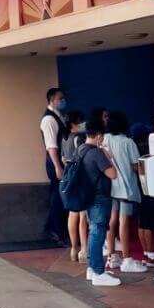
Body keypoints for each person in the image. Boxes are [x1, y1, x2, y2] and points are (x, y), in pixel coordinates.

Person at [78, 116, 120, 286]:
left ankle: (92, 268)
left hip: (88, 196)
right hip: (99, 197)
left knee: (93, 231)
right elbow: (113, 174)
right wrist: (107, 155)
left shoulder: (81, 149)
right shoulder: (96, 152)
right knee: (98, 232)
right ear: (99, 135)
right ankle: (98, 271)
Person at [103, 112, 146, 273]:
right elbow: (135, 165)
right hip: (126, 187)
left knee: (112, 220)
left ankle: (112, 256)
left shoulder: (105, 139)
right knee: (124, 221)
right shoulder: (128, 142)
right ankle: (127, 259)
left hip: (111, 186)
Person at [129, 122, 154, 267]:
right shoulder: (146, 150)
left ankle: (146, 254)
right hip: (147, 189)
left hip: (136, 189)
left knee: (141, 223)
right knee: (148, 223)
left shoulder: (132, 147)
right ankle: (151, 255)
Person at [40, 88, 68, 243]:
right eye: (60, 98)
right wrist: (58, 166)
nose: (63, 101)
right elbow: (51, 146)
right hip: (55, 163)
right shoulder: (49, 120)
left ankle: (54, 228)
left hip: (60, 162)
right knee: (57, 197)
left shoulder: (59, 117)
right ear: (52, 100)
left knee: (59, 195)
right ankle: (55, 230)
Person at [61, 111, 87, 261]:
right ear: (74, 123)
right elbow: (83, 158)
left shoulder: (64, 139)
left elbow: (64, 158)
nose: (83, 124)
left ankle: (73, 248)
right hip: (79, 177)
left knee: (72, 212)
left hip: (68, 176)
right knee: (83, 214)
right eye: (80, 121)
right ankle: (83, 250)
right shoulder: (78, 138)